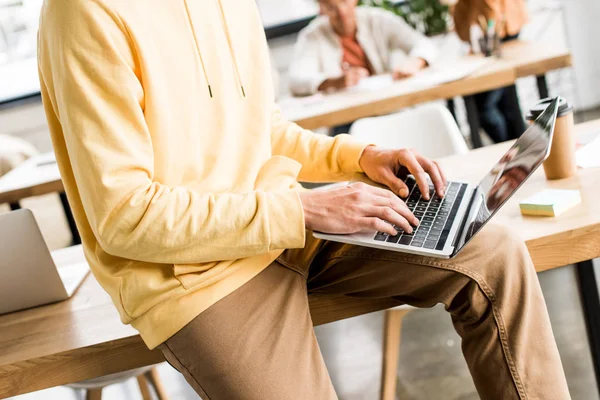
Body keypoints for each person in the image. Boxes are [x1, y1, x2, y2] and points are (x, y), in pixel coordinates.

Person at [37, 0, 570, 399]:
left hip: (289, 226)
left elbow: (256, 129)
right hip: (194, 277)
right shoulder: (85, 13)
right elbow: (125, 216)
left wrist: (359, 156)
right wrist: (302, 210)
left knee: (494, 255)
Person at [288, 0, 439, 96]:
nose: (342, 12)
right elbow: (296, 79)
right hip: (345, 118)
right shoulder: (312, 36)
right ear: (321, 8)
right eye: (332, 7)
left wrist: (415, 62)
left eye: (344, 1)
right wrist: (334, 82)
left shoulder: (378, 19)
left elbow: (423, 44)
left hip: (386, 103)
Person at [453, 0, 529, 143]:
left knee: (486, 108)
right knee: (505, 103)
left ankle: (513, 151)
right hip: (486, 27)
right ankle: (517, 151)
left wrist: (485, 37)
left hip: (497, 27)